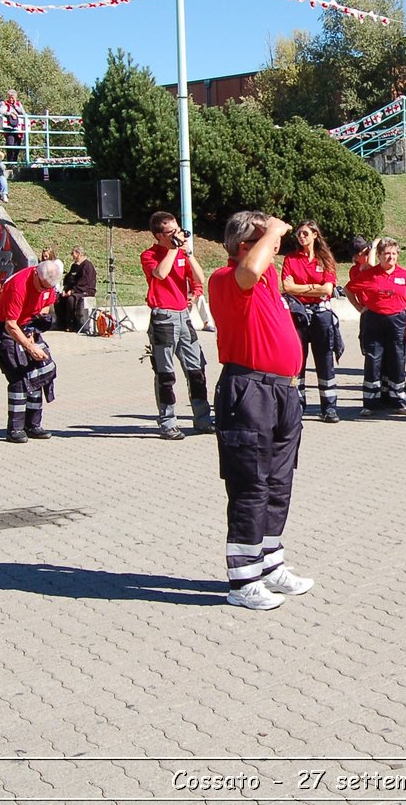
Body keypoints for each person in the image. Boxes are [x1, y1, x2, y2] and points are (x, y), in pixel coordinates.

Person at [207, 210, 312, 611]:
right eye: (267, 240)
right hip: (248, 391)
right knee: (251, 486)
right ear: (246, 246)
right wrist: (271, 231)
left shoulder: (265, 277)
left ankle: (270, 565)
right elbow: (249, 269)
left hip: (283, 394)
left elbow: (264, 266)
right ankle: (243, 581)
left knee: (278, 484)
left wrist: (276, 232)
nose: (277, 245)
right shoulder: (227, 278)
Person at [142, 212, 212, 439]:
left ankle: (202, 419)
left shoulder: (181, 252)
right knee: (165, 373)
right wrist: (173, 248)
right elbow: (160, 273)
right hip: (164, 317)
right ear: (158, 235)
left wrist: (187, 252)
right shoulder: (149, 255)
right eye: (171, 232)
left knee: (196, 369)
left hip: (184, 316)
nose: (177, 235)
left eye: (178, 230)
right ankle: (168, 422)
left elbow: (200, 278)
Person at [281, 220, 343, 423]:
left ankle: (329, 407)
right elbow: (287, 287)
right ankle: (297, 406)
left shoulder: (325, 259)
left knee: (325, 361)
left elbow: (327, 289)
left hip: (321, 316)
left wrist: (301, 288)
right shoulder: (291, 259)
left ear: (315, 235)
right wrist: (314, 287)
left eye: (306, 233)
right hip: (298, 315)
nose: (301, 237)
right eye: (299, 234)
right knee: (298, 361)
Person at [348, 237, 406, 416]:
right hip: (374, 320)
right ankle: (370, 402)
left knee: (397, 360)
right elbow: (349, 289)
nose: (391, 257)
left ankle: (398, 401)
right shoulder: (370, 274)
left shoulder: (403, 275)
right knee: (373, 360)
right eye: (387, 254)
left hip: (397, 321)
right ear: (379, 256)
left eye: (394, 254)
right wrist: (359, 307)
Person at [0, 259, 62, 442]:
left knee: (39, 374)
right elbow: (10, 325)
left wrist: (34, 330)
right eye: (42, 286)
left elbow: (45, 305)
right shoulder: (18, 287)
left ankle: (33, 424)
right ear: (35, 274)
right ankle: (15, 429)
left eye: (48, 287)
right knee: (19, 378)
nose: (43, 290)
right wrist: (28, 346)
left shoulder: (47, 284)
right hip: (8, 329)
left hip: (28, 326)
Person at [59, 246, 98, 332]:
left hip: (86, 290)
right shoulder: (74, 266)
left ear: (78, 254)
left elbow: (84, 282)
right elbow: (69, 279)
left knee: (71, 299)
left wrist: (73, 291)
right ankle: (61, 324)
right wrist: (65, 289)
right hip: (73, 289)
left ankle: (71, 324)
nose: (72, 256)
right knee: (58, 299)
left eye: (73, 254)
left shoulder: (87, 265)